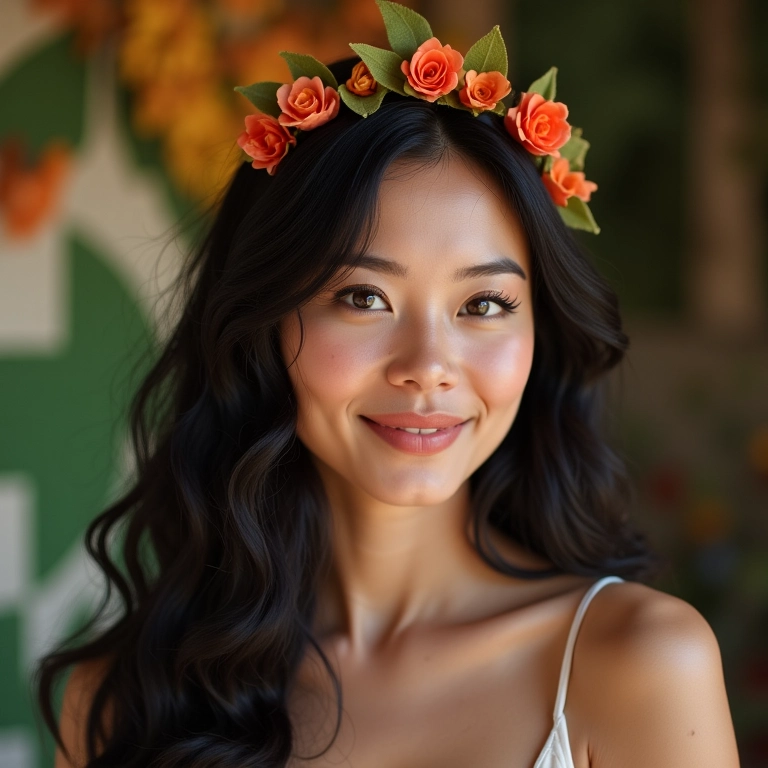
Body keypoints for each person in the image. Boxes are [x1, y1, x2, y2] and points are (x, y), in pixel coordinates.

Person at [37, 4, 741, 767]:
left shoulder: (638, 666)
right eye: (363, 297)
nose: (428, 364)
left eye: (484, 305)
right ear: (263, 324)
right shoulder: (124, 700)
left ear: (541, 333)